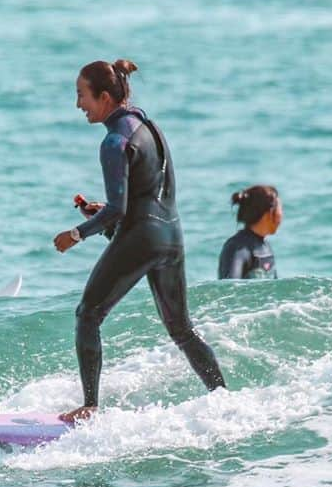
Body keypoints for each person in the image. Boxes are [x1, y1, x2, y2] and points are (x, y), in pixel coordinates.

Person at [53, 59, 226, 422]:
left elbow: (118, 210)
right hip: (171, 237)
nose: (78, 105)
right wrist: (101, 212)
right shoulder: (149, 127)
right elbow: (143, 196)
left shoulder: (114, 141)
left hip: (143, 238)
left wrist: (75, 234)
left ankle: (90, 406)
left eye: (82, 96)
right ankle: (224, 399)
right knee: (182, 330)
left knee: (88, 315)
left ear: (103, 97)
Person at [218, 185, 281, 279]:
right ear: (269, 213)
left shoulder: (265, 246)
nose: (281, 216)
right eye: (280, 210)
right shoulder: (237, 247)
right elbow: (229, 289)